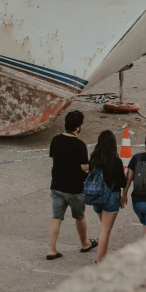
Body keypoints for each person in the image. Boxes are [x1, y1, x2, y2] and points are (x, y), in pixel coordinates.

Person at [47, 110, 98, 260]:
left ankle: (51, 249)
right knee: (79, 216)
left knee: (56, 217)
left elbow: (53, 159)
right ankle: (85, 243)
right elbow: (84, 167)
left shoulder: (56, 140)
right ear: (78, 127)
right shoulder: (79, 144)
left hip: (56, 185)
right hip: (75, 187)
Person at [88, 130, 126, 262]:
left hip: (96, 196)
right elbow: (121, 182)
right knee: (105, 230)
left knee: (104, 227)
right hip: (111, 196)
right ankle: (100, 259)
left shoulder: (93, 159)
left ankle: (102, 256)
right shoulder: (116, 161)